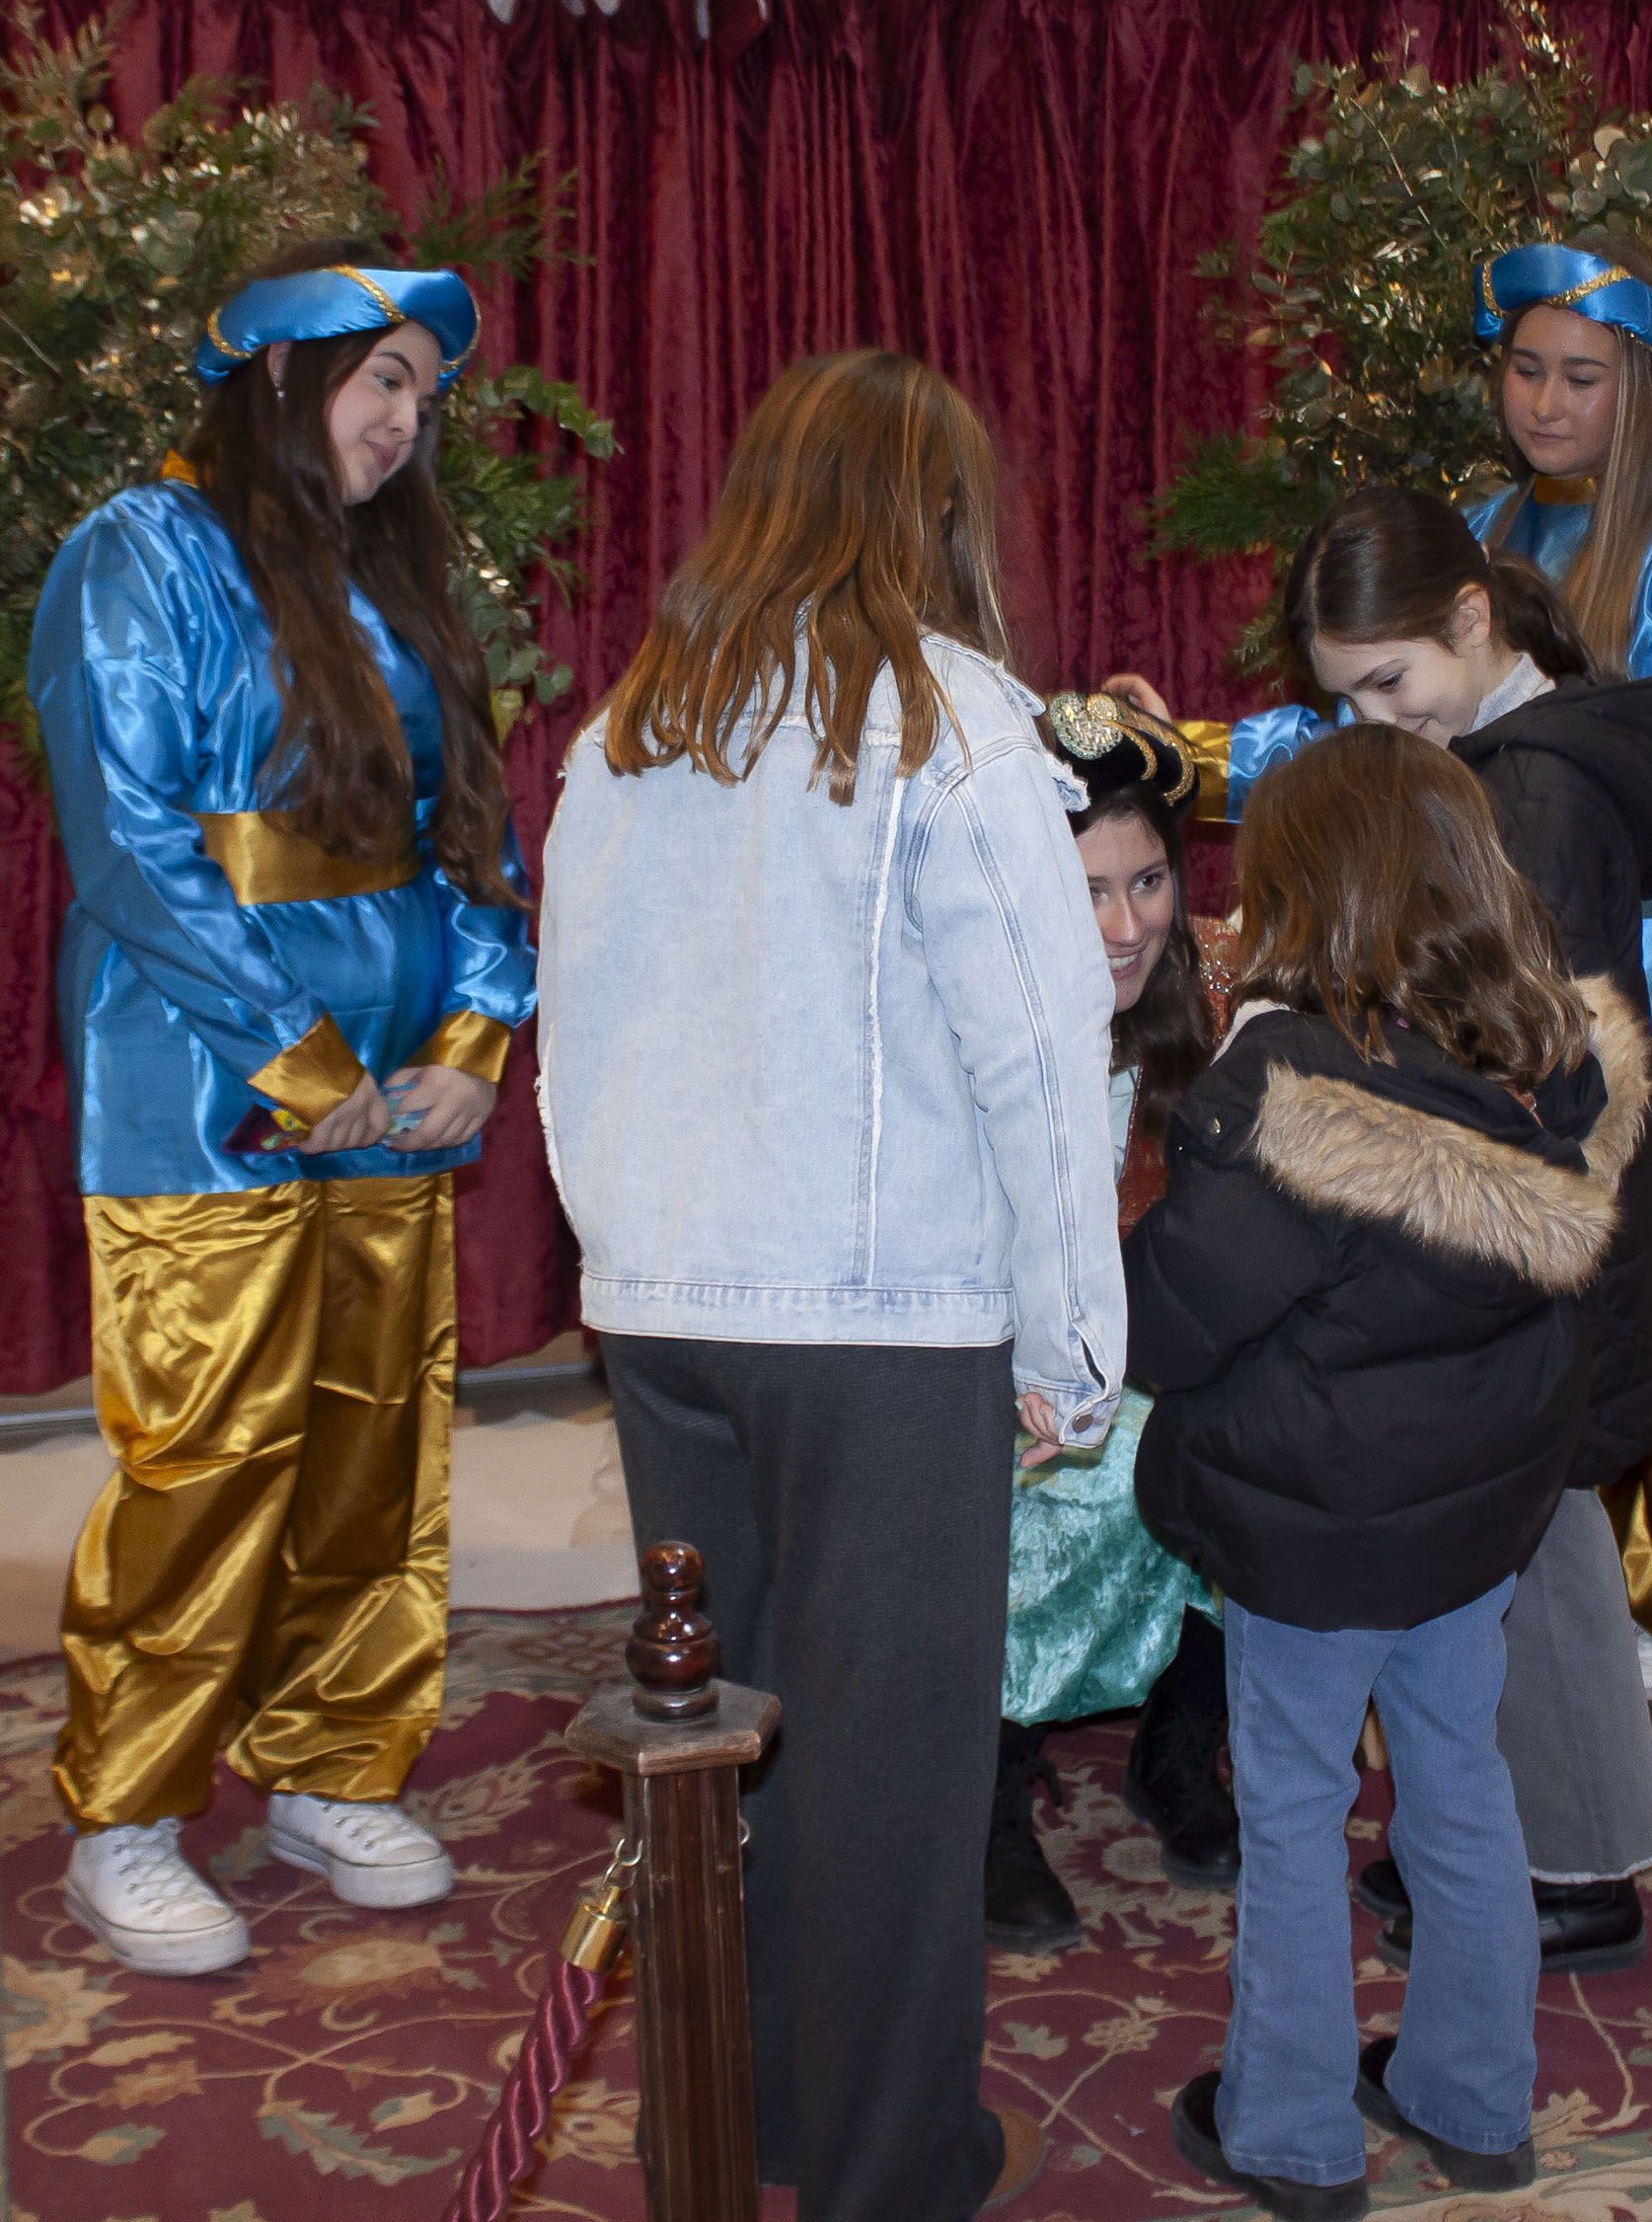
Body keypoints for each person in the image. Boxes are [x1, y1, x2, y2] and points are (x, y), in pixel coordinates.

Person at [539, 350, 1121, 2221]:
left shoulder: (633, 721)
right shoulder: (956, 719)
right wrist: (1075, 1342)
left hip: (663, 1308)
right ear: (939, 514)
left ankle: (735, 2125)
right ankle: (889, 2174)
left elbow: (568, 1029)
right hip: (883, 1325)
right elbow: (1041, 1061)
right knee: (888, 1770)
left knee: (716, 1747)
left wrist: (623, 1259)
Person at [1121, 240, 1652, 1708]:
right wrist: (1183, 756)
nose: (1546, 401)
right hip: (1529, 946)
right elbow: (1366, 736)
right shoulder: (1483, 545)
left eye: (1581, 375)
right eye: (1525, 368)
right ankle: (1562, 1610)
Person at [26, 245, 534, 1977]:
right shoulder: (135, 554)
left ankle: (329, 1763)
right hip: (198, 1091)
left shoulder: (393, 580)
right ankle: (127, 1812)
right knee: (208, 1451)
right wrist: (303, 1066)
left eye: (422, 397)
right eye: (380, 380)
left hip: (391, 1095)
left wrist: (470, 1038)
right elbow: (133, 848)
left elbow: (472, 833)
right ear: (276, 374)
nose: (404, 422)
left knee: (373, 1442)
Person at [1127, 726, 1651, 2222]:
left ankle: (1290, 2129)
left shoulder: (1290, 1096)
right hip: (1476, 1519)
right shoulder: (1548, 1068)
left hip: (1312, 1531)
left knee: (1296, 1807)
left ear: (1308, 893)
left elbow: (1168, 1321)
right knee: (1460, 1781)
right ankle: (1471, 2096)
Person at [1265, 485, 1652, 1976]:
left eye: (1390, 685)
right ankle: (1511, 1829)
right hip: (1540, 1214)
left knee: (1547, 1550)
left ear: (1470, 617)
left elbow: (1529, 1049)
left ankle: (1576, 1864)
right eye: (1346, 704)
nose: (1375, 728)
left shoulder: (1535, 795)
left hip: (1546, 1222)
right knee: (1516, 1543)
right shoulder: (1510, 756)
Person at [989, 692, 1239, 1952]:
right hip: (1001, 1366)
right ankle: (989, 1779)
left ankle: (1181, 1743)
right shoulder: (970, 1009)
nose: (1126, 925)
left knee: (1255, 1442)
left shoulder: (1221, 993)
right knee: (1047, 1472)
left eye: (1148, 882)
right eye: (1088, 888)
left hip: (1168, 1347)